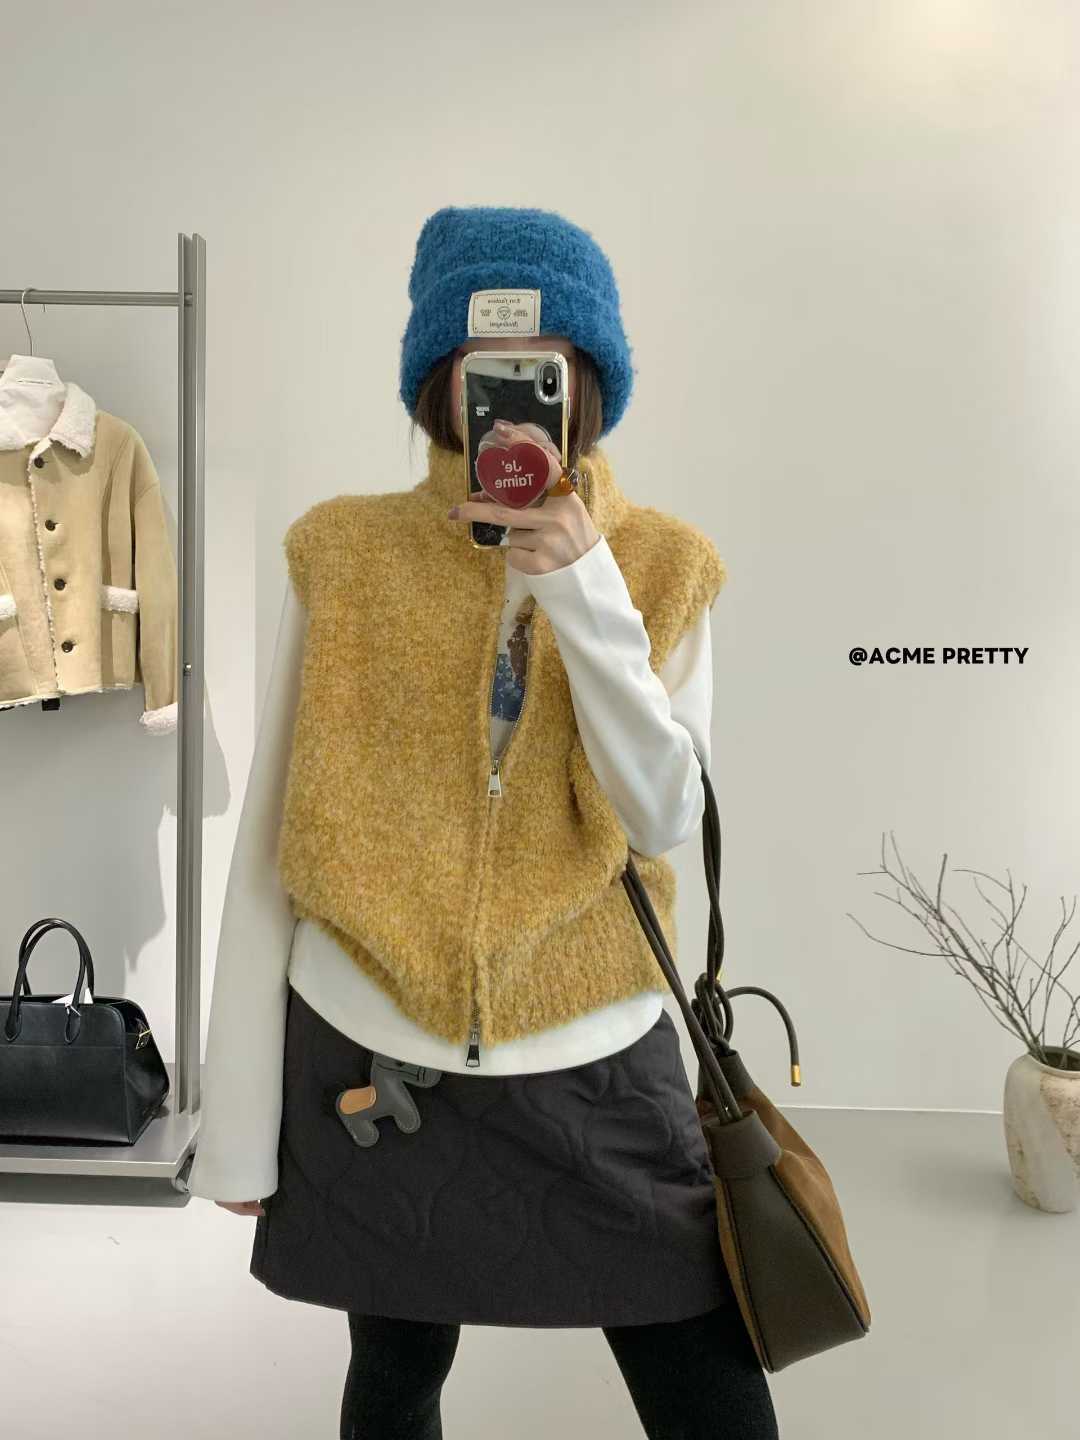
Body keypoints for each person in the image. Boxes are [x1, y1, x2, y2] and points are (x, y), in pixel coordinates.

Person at [187, 204, 779, 1440]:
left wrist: (585, 590)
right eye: (484, 371)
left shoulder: (665, 564)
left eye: (544, 374)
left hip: (593, 1042)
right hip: (375, 1051)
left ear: (589, 386)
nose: (511, 410)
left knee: (707, 1387)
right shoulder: (342, 554)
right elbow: (270, 843)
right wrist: (238, 1127)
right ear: (437, 385)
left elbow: (662, 817)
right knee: (396, 1375)